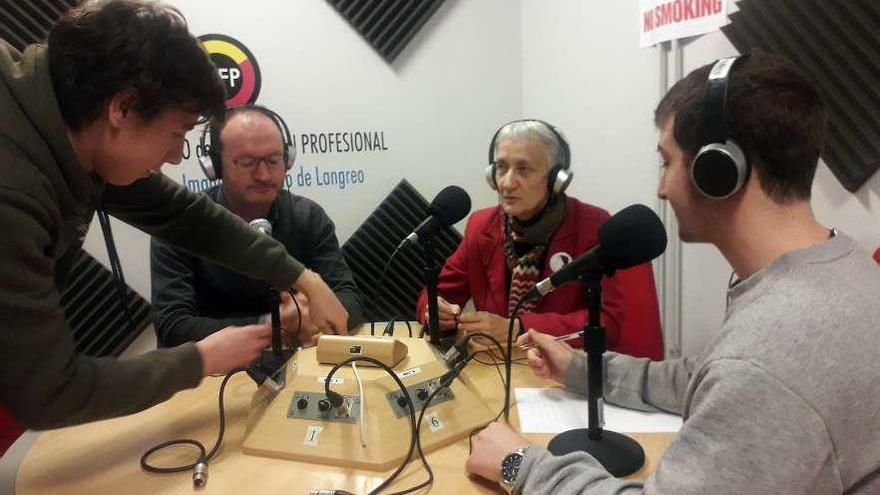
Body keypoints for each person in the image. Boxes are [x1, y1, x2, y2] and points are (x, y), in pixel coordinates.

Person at [465, 52, 880, 493]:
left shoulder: (766, 356)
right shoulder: (843, 266)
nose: (661, 188)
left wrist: (517, 464)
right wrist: (582, 369)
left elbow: (745, 375)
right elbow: (701, 377)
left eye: (667, 161)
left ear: (718, 170)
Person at [0, 0, 347, 431]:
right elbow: (51, 394)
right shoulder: (12, 193)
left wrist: (304, 278)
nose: (175, 155)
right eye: (177, 133)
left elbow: (186, 217)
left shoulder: (77, 129)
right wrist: (201, 359)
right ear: (122, 109)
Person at [151, 105, 364, 348]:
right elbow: (172, 327)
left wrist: (310, 320)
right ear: (215, 166)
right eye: (247, 162)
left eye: (273, 161)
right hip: (214, 375)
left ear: (288, 160)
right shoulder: (180, 223)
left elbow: (350, 298)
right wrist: (271, 327)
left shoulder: (308, 217)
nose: (264, 175)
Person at [416, 120, 625, 348]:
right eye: (501, 167)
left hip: (563, 373)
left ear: (556, 180)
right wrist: (435, 310)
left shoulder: (592, 225)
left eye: (523, 169)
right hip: (496, 370)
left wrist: (518, 327)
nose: (506, 183)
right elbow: (436, 294)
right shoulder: (481, 225)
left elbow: (608, 324)